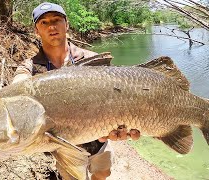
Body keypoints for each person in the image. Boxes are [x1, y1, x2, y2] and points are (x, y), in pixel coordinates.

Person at [13, 2, 140, 180]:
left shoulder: (89, 59)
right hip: (63, 147)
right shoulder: (30, 67)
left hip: (98, 138)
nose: (51, 26)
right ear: (36, 30)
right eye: (44, 22)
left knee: (103, 172)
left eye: (56, 20)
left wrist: (125, 120)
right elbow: (17, 89)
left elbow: (115, 93)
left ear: (67, 24)